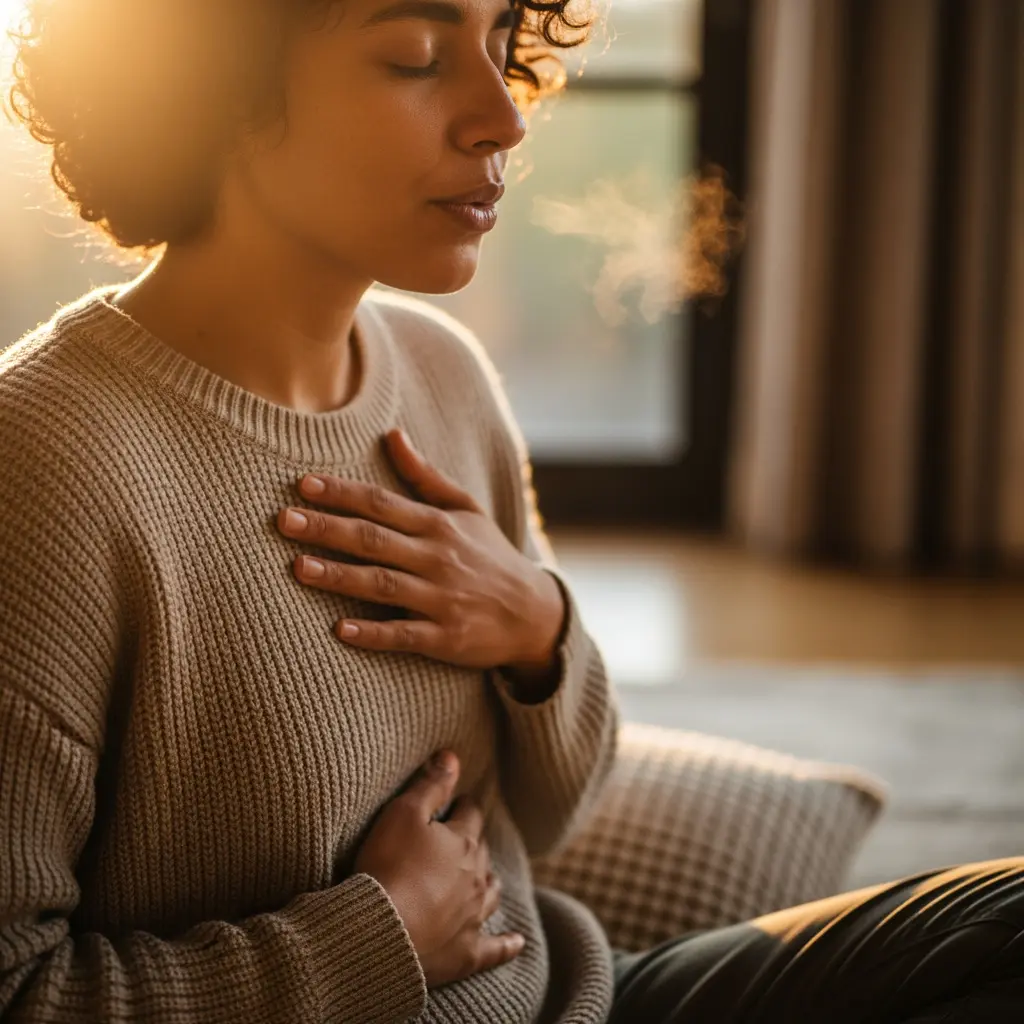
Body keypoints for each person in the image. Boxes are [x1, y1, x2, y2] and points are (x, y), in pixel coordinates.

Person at [0, 0, 1021, 1021]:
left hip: (581, 995)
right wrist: (373, 940)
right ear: (209, 85)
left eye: (499, 46)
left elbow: (551, 813)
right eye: (415, 57)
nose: (504, 117)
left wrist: (539, 630)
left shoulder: (443, 374)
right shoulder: (45, 464)